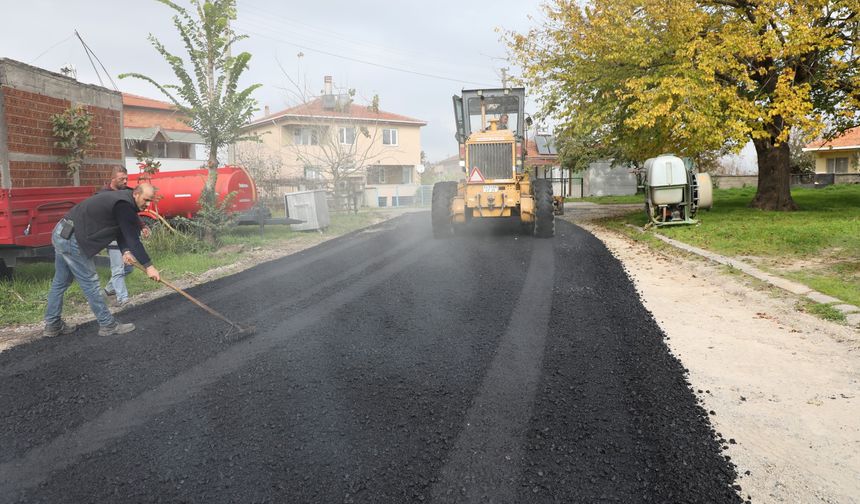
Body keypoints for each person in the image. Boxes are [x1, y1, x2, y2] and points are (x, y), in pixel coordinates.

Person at [43, 183, 161, 337]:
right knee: (90, 283)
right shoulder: (124, 205)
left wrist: (125, 251)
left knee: (61, 281)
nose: (147, 204)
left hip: (62, 232)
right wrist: (148, 266)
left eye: (150, 201)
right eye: (145, 200)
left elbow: (120, 230)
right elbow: (133, 239)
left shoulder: (123, 201)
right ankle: (108, 325)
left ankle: (52, 325)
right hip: (72, 238)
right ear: (136, 194)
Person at [99, 167, 150, 307]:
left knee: (128, 268)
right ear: (113, 178)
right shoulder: (104, 194)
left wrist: (142, 225)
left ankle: (108, 290)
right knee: (118, 269)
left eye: (126, 178)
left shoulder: (128, 192)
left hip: (126, 235)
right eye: (122, 179)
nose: (125, 181)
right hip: (113, 235)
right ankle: (123, 299)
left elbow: (132, 213)